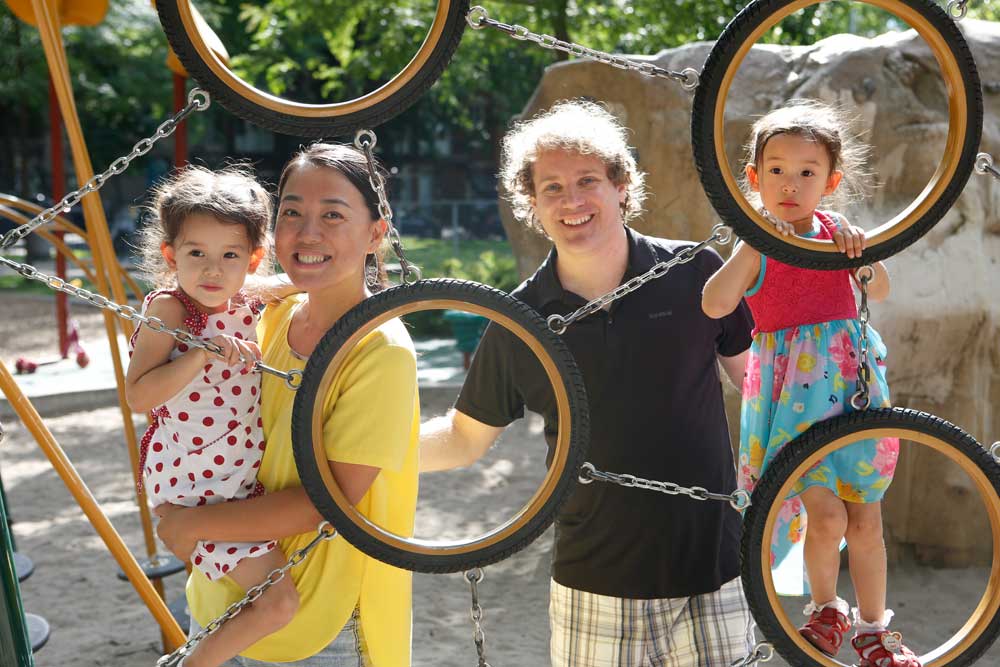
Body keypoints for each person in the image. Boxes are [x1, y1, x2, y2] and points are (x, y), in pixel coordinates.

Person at [420, 99, 756, 666]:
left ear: (621, 185)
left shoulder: (695, 274)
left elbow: (762, 388)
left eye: (587, 181)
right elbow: (462, 438)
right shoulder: (520, 320)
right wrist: (355, 452)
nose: (571, 201)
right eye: (551, 187)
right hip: (594, 581)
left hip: (714, 570)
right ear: (532, 203)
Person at [153, 144, 420, 667]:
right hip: (220, 597)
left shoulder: (380, 351)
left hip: (315, 622)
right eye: (292, 213)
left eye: (332, 215)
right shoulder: (269, 317)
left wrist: (190, 526)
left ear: (375, 234)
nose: (307, 232)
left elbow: (328, 500)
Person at [701, 100, 918, 667]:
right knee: (825, 515)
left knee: (865, 520)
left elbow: (880, 289)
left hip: (851, 394)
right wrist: (753, 242)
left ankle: (874, 630)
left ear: (830, 182)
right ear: (754, 178)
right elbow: (714, 303)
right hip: (792, 404)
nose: (790, 184)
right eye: (776, 170)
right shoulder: (757, 244)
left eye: (806, 172)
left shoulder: (836, 235)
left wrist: (860, 251)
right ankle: (826, 609)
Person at [126, 165, 296, 667]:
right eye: (196, 253)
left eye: (230, 256)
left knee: (262, 599)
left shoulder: (246, 295)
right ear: (171, 255)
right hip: (195, 484)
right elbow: (138, 396)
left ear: (253, 259)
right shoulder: (172, 310)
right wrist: (198, 355)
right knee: (279, 603)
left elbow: (304, 283)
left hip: (234, 479)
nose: (213, 270)